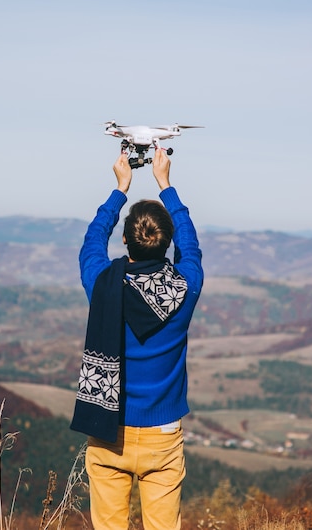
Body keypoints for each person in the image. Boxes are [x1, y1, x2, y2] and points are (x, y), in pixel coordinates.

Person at [70, 148, 203, 530]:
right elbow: (191, 248)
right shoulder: (186, 286)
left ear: (125, 241)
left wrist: (120, 189)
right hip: (163, 435)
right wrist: (166, 185)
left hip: (108, 426)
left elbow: (92, 242)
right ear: (167, 245)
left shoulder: (102, 284)